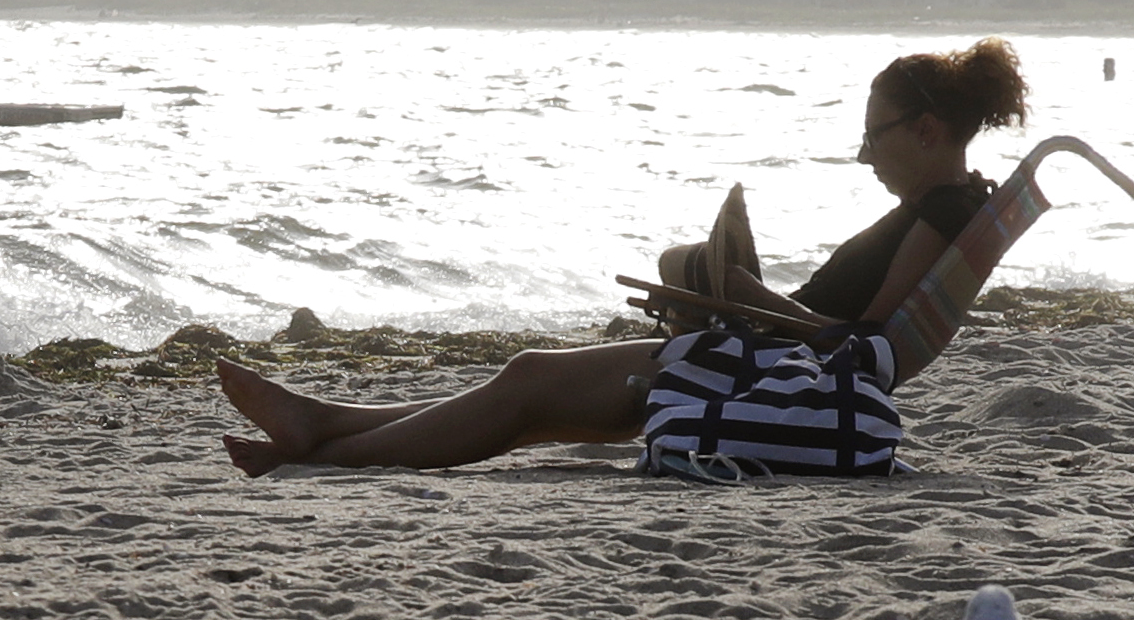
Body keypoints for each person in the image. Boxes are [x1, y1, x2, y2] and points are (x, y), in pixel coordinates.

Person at [217, 38, 1030, 473]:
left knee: (531, 380)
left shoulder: (946, 207)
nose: (864, 155)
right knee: (530, 396)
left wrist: (739, 289)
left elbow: (868, 347)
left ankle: (320, 449)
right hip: (757, 351)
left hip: (765, 368)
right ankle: (326, 428)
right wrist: (722, 289)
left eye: (872, 135)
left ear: (925, 132)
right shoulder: (944, 206)